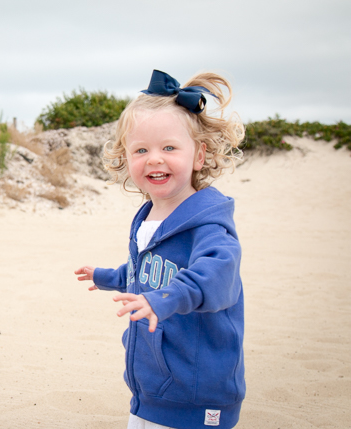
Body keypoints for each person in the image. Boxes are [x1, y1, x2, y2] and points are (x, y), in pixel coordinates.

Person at [75, 70, 246, 429]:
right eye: (141, 150)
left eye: (169, 147)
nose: (154, 158)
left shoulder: (208, 224)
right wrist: (108, 277)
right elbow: (146, 271)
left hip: (197, 393)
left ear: (198, 155)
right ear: (125, 158)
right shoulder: (148, 216)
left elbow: (216, 276)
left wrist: (162, 299)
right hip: (152, 387)